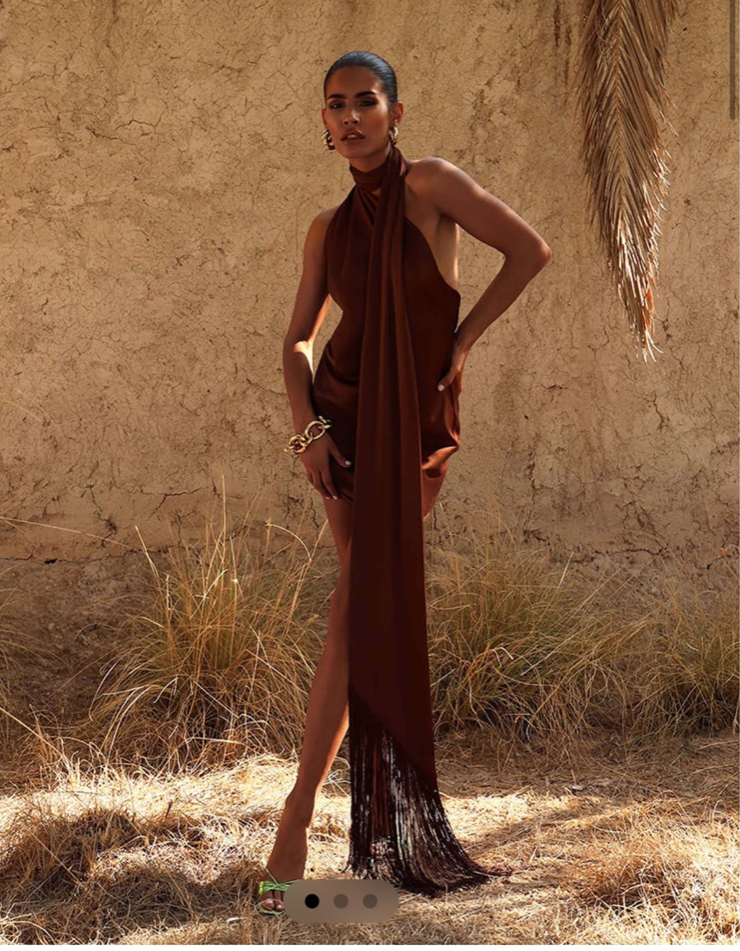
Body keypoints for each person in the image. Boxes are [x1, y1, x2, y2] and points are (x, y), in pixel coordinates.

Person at [256, 50, 551, 915]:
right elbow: (296, 341)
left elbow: (529, 251)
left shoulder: (431, 184)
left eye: (365, 101)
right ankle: (300, 823)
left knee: (359, 603)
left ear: (394, 111)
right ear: (323, 122)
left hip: (411, 420)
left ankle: (300, 820)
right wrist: (307, 429)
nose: (349, 117)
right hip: (343, 420)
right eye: (335, 105)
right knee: (354, 604)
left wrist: (462, 342)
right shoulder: (326, 228)